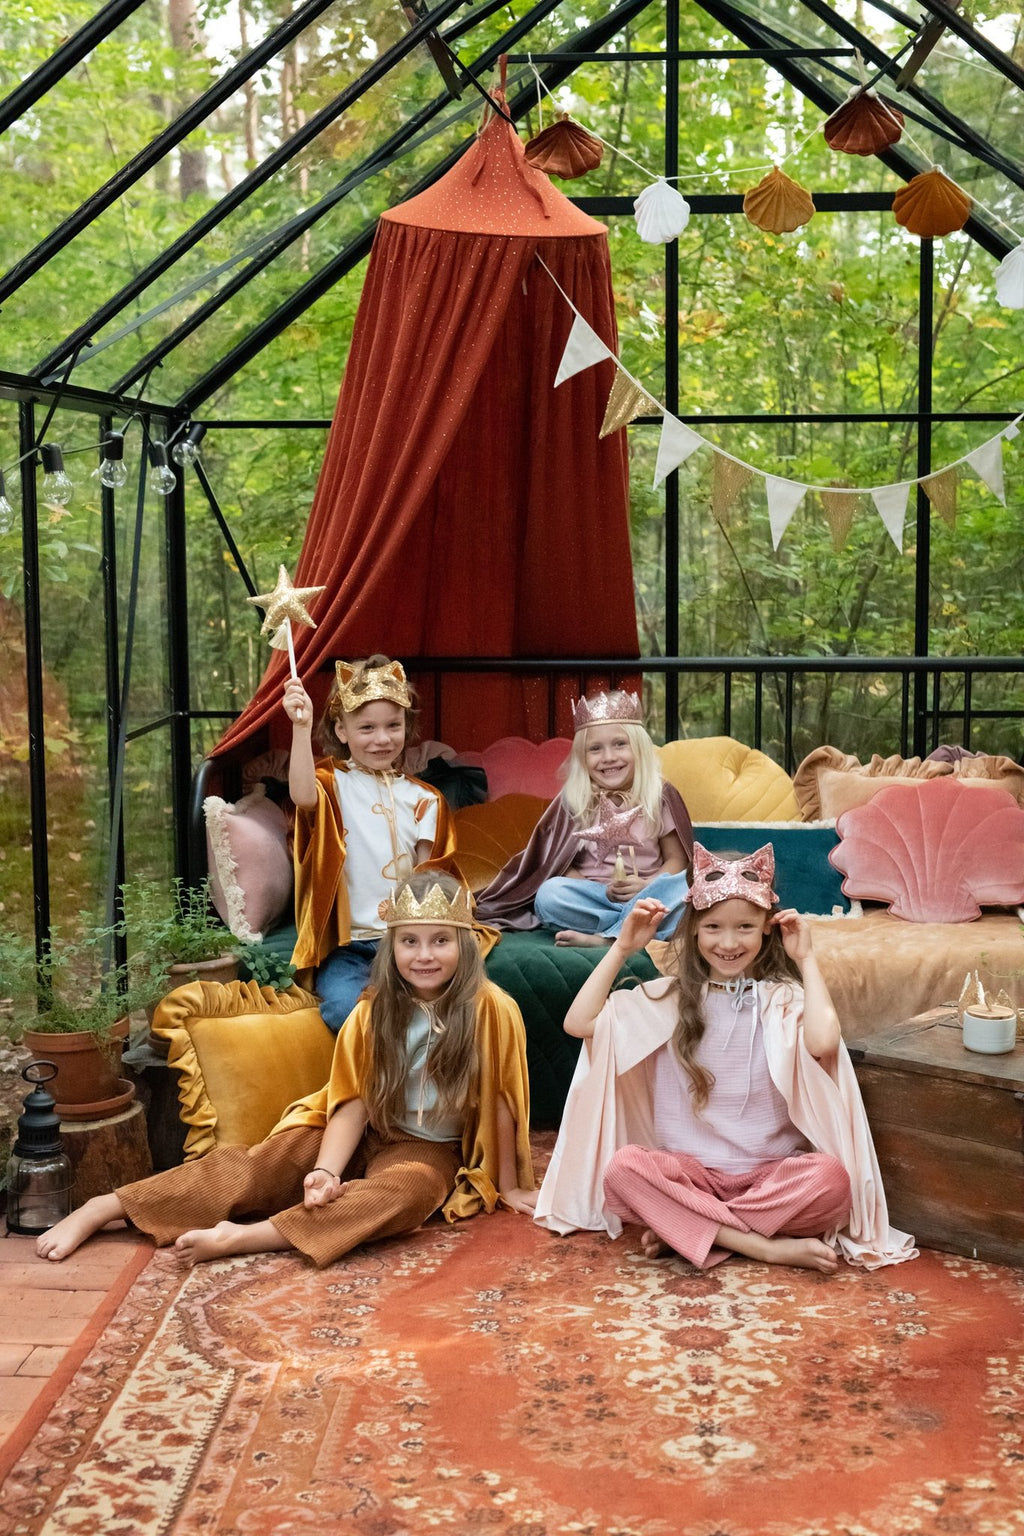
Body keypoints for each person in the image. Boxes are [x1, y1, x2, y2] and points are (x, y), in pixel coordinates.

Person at [37, 875, 536, 1269]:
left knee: (409, 1196)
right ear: (391, 948)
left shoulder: (492, 1010)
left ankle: (251, 1236)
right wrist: (325, 1170)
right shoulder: (371, 1012)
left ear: (466, 945)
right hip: (354, 1131)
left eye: (440, 941)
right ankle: (109, 1206)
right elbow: (351, 1102)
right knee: (259, 1165)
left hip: (425, 1146)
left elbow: (501, 1101)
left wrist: (509, 1184)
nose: (424, 955)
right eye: (410, 941)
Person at [533, 843, 916, 1272]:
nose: (729, 942)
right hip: (689, 1177)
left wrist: (806, 959)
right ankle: (760, 1244)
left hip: (769, 1178)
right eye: (713, 927)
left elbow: (825, 1042)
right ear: (694, 929)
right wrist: (622, 947)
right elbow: (578, 1023)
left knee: (831, 1181)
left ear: (767, 929)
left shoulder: (780, 1000)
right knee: (623, 1171)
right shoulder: (668, 1000)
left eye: (745, 927)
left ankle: (683, 1229)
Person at [284, 654, 458, 1031]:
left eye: (393, 725)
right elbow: (301, 795)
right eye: (366, 728)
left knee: (447, 1010)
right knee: (346, 1009)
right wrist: (301, 728)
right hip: (352, 949)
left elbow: (430, 883)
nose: (382, 739)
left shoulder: (425, 799)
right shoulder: (333, 784)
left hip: (411, 944)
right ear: (342, 731)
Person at [474, 690, 693, 945]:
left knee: (685, 891)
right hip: (597, 898)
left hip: (651, 894)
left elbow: (678, 859)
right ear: (582, 757)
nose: (609, 757)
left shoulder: (659, 794)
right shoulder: (574, 800)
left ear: (639, 748)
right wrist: (602, 892)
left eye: (620, 744)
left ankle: (607, 940)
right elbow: (560, 863)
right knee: (549, 895)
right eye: (595, 749)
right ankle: (633, 932)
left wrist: (647, 885)